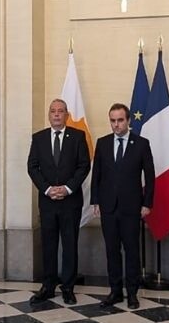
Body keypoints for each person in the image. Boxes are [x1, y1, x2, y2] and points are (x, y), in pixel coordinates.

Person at [90, 103, 155, 310]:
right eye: (112, 120)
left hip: (131, 207)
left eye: (120, 120)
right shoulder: (103, 143)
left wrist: (147, 203)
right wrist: (95, 201)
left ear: (128, 121)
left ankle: (132, 293)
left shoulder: (142, 144)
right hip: (108, 207)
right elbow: (97, 175)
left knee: (132, 251)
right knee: (112, 251)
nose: (116, 125)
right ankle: (115, 291)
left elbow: (151, 176)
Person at [27, 99, 91, 305]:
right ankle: (48, 286)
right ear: (49, 115)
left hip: (70, 201)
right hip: (47, 202)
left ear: (66, 114)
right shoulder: (39, 138)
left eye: (60, 111)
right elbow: (32, 167)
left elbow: (84, 166)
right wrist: (47, 189)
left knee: (70, 244)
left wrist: (67, 188)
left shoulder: (78, 137)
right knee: (48, 244)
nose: (56, 114)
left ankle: (68, 288)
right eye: (53, 111)